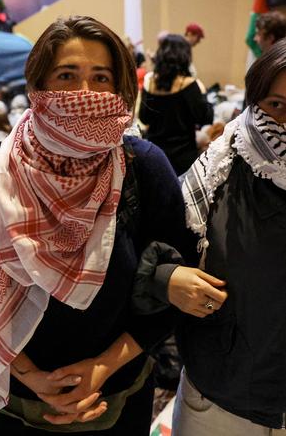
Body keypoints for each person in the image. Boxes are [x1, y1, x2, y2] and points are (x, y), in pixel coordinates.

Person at [0, 15, 191, 435]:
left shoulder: (143, 168)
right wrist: (32, 376)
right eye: (66, 75)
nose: (84, 93)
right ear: (39, 85)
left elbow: (174, 286)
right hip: (15, 401)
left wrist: (102, 368)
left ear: (120, 87)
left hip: (118, 397)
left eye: (101, 77)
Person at [141, 37, 286, 435]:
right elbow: (151, 254)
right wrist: (167, 279)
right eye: (277, 106)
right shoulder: (218, 172)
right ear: (255, 103)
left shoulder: (154, 82)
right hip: (221, 398)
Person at [139, 34, 212, 175]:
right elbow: (206, 118)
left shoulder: (150, 82)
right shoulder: (190, 85)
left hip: (154, 155)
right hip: (182, 158)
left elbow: (144, 118)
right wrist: (203, 94)